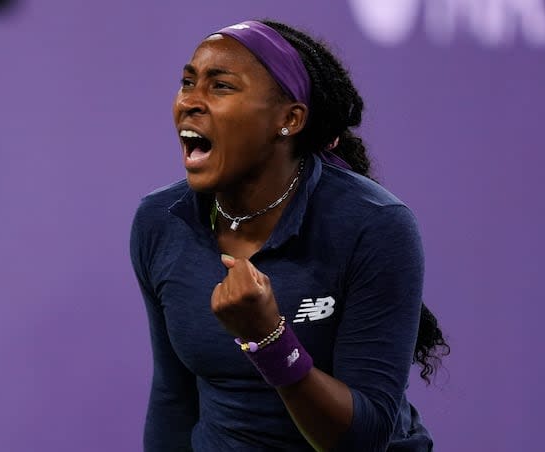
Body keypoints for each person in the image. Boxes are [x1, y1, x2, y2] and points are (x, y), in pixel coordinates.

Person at [129, 19, 450, 451]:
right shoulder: (160, 220)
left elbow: (365, 437)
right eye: (188, 82)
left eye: (220, 86)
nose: (190, 101)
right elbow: (174, 398)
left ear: (289, 119)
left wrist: (267, 339)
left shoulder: (374, 225)